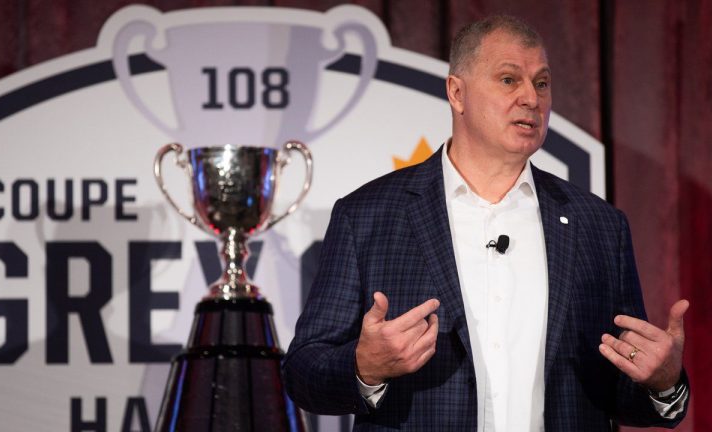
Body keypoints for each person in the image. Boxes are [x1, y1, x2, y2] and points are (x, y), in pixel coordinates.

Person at [281, 15, 689, 431]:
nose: (531, 98)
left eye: (542, 83)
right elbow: (303, 372)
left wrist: (663, 382)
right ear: (457, 93)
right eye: (509, 80)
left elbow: (619, 391)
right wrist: (363, 367)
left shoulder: (600, 226)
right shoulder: (367, 216)